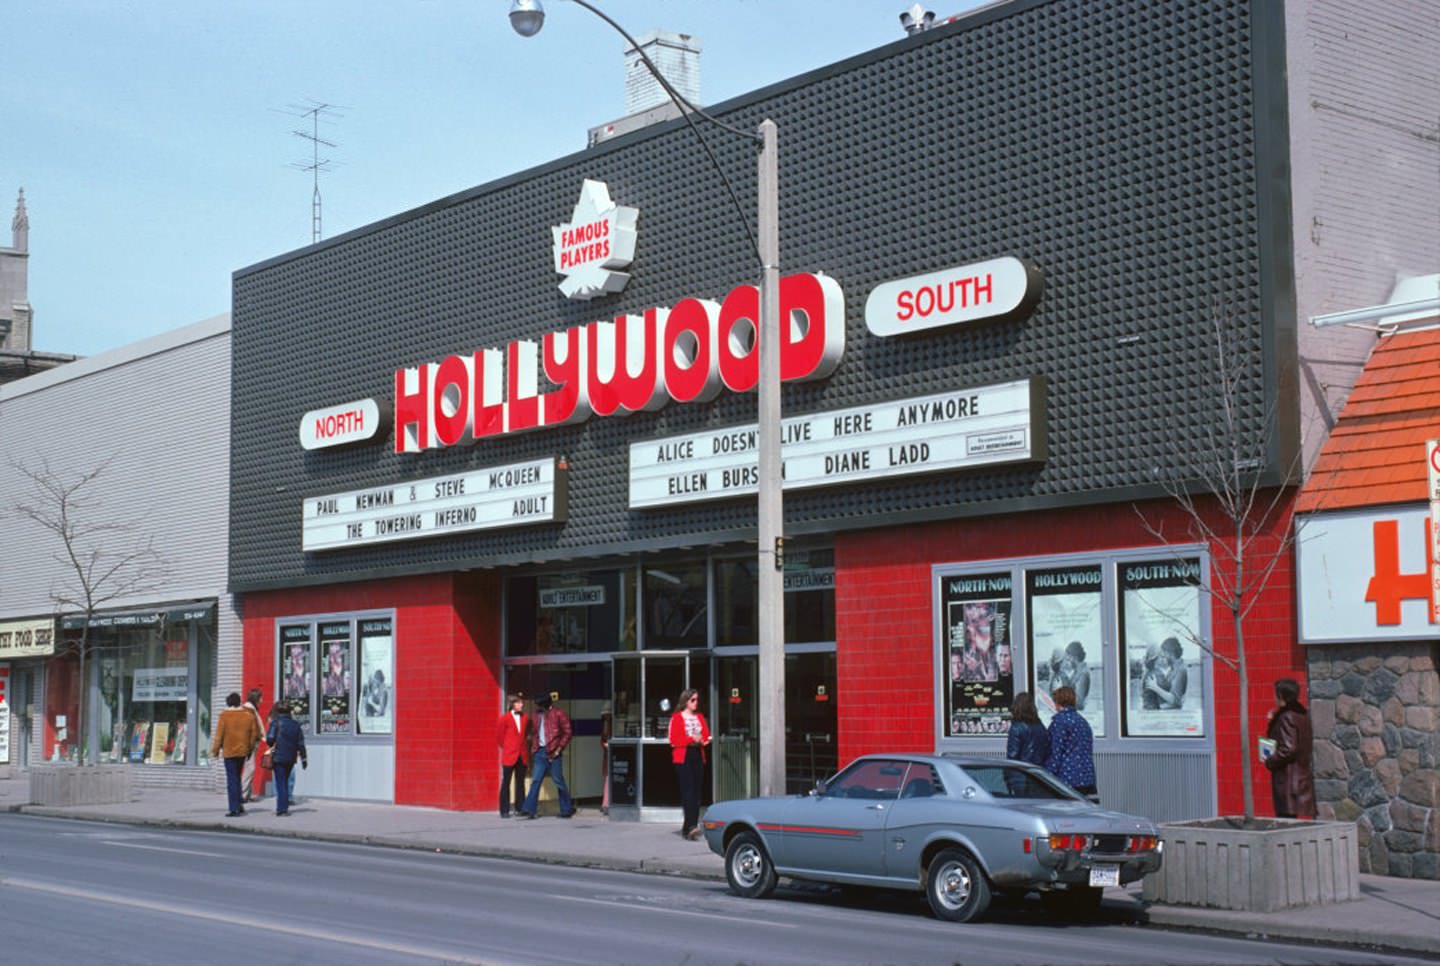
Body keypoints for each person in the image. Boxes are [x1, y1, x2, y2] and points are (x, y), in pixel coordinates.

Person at [1265, 678, 1316, 819]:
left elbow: (1288, 748)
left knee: (1287, 826)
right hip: (1301, 777)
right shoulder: (1302, 714)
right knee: (1296, 826)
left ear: (1282, 695)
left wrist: (1270, 760)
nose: (1274, 697)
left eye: (1275, 694)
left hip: (1289, 781)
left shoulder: (1286, 717)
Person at [519, 694, 573, 819]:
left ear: (547, 705)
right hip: (540, 752)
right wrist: (534, 748)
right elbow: (534, 733)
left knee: (558, 781)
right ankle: (529, 809)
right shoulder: (537, 715)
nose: (538, 708)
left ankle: (566, 809)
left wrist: (559, 749)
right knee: (536, 781)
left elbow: (568, 732)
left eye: (540, 706)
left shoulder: (559, 714)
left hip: (554, 752)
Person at [668, 688, 711, 840]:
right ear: (685, 701)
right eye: (693, 700)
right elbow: (674, 740)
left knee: (697, 792)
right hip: (683, 755)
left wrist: (703, 740)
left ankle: (688, 826)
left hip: (697, 754)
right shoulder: (677, 718)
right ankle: (692, 825)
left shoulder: (699, 717)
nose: (696, 703)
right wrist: (691, 738)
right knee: (688, 791)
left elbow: (706, 735)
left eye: (697, 700)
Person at [210, 691, 261, 817]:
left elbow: (219, 736)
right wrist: (249, 750)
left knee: (232, 780)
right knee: (237, 778)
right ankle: (239, 804)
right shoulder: (248, 716)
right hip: (242, 751)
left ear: (228, 702)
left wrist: (215, 751)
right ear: (239, 702)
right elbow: (254, 734)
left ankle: (234, 808)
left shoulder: (224, 716)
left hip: (229, 752)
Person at [1045, 685, 1097, 798]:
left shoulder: (1060, 721)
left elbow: (1056, 752)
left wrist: (1047, 777)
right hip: (1087, 776)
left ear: (1058, 702)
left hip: (1067, 778)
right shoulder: (1082, 721)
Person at [264, 701, 307, 817]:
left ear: (278, 711)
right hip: (291, 757)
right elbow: (301, 743)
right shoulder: (295, 724)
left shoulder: (275, 723)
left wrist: (272, 742)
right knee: (286, 781)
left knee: (281, 783)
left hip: (278, 757)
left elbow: (270, 739)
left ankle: (282, 808)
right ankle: (284, 805)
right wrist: (304, 758)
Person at [495, 693, 529, 817]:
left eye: (521, 702)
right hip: (509, 755)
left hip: (522, 754)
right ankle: (504, 809)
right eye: (518, 703)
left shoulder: (525, 717)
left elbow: (525, 734)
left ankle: (520, 807)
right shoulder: (504, 718)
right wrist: (508, 747)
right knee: (506, 782)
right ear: (512, 704)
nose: (521, 705)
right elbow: (499, 737)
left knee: (520, 782)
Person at [1144, 637, 1188, 710]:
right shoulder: (1172, 669)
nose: (1163, 655)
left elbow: (1174, 700)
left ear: (1170, 653)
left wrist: (1155, 687)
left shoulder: (1180, 670)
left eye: (1164, 652)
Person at [241, 686, 267, 803]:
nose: (262, 700)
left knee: (248, 767)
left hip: (250, 742)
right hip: (249, 743)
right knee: (250, 768)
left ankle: (248, 794)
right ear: (256, 698)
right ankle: (242, 793)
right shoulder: (249, 710)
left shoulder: (249, 709)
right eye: (261, 697)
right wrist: (263, 738)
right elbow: (255, 727)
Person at [1059, 640, 1091, 709]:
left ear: (1074, 657)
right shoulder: (1077, 672)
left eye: (1068, 658)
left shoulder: (1083, 674)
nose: (1068, 661)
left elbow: (1079, 703)